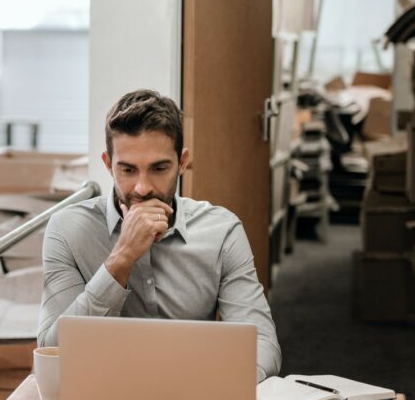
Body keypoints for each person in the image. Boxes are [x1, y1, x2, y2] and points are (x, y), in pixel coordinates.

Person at [37, 89, 281, 382]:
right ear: (107, 164)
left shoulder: (222, 231)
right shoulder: (67, 229)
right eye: (127, 169)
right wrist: (121, 259)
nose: (142, 187)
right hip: (102, 394)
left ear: (182, 163)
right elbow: (54, 353)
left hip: (196, 394)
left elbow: (263, 346)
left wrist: (218, 386)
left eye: (159, 168)